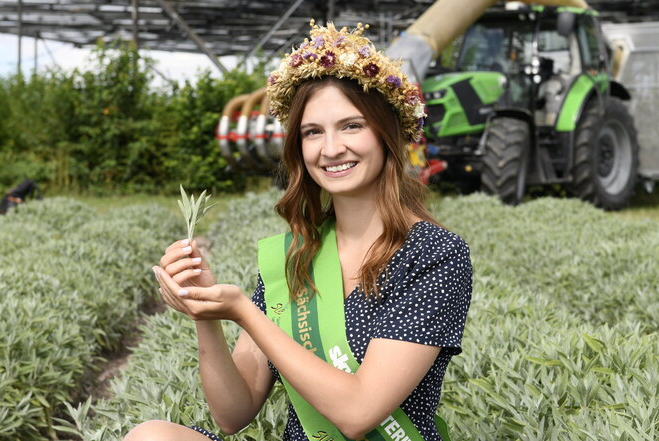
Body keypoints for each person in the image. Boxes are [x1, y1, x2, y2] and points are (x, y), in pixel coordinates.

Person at [126, 21, 472, 441]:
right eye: (312, 132)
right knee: (153, 435)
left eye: (351, 126)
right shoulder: (296, 254)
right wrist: (208, 314)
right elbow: (233, 414)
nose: (330, 149)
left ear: (388, 135)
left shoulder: (433, 254)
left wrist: (244, 312)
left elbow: (359, 412)